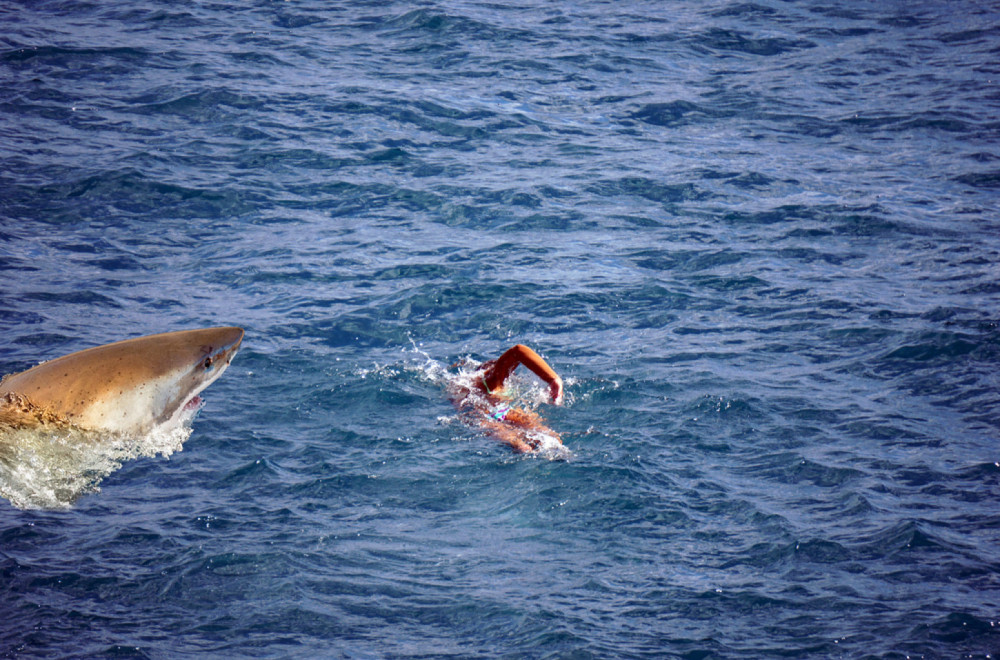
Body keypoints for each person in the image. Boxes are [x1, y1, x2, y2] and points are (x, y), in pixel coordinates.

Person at [452, 344, 564, 454]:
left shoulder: (461, 386)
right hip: (493, 413)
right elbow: (518, 350)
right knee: (549, 438)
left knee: (536, 442)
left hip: (481, 416)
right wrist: (554, 379)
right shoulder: (491, 379)